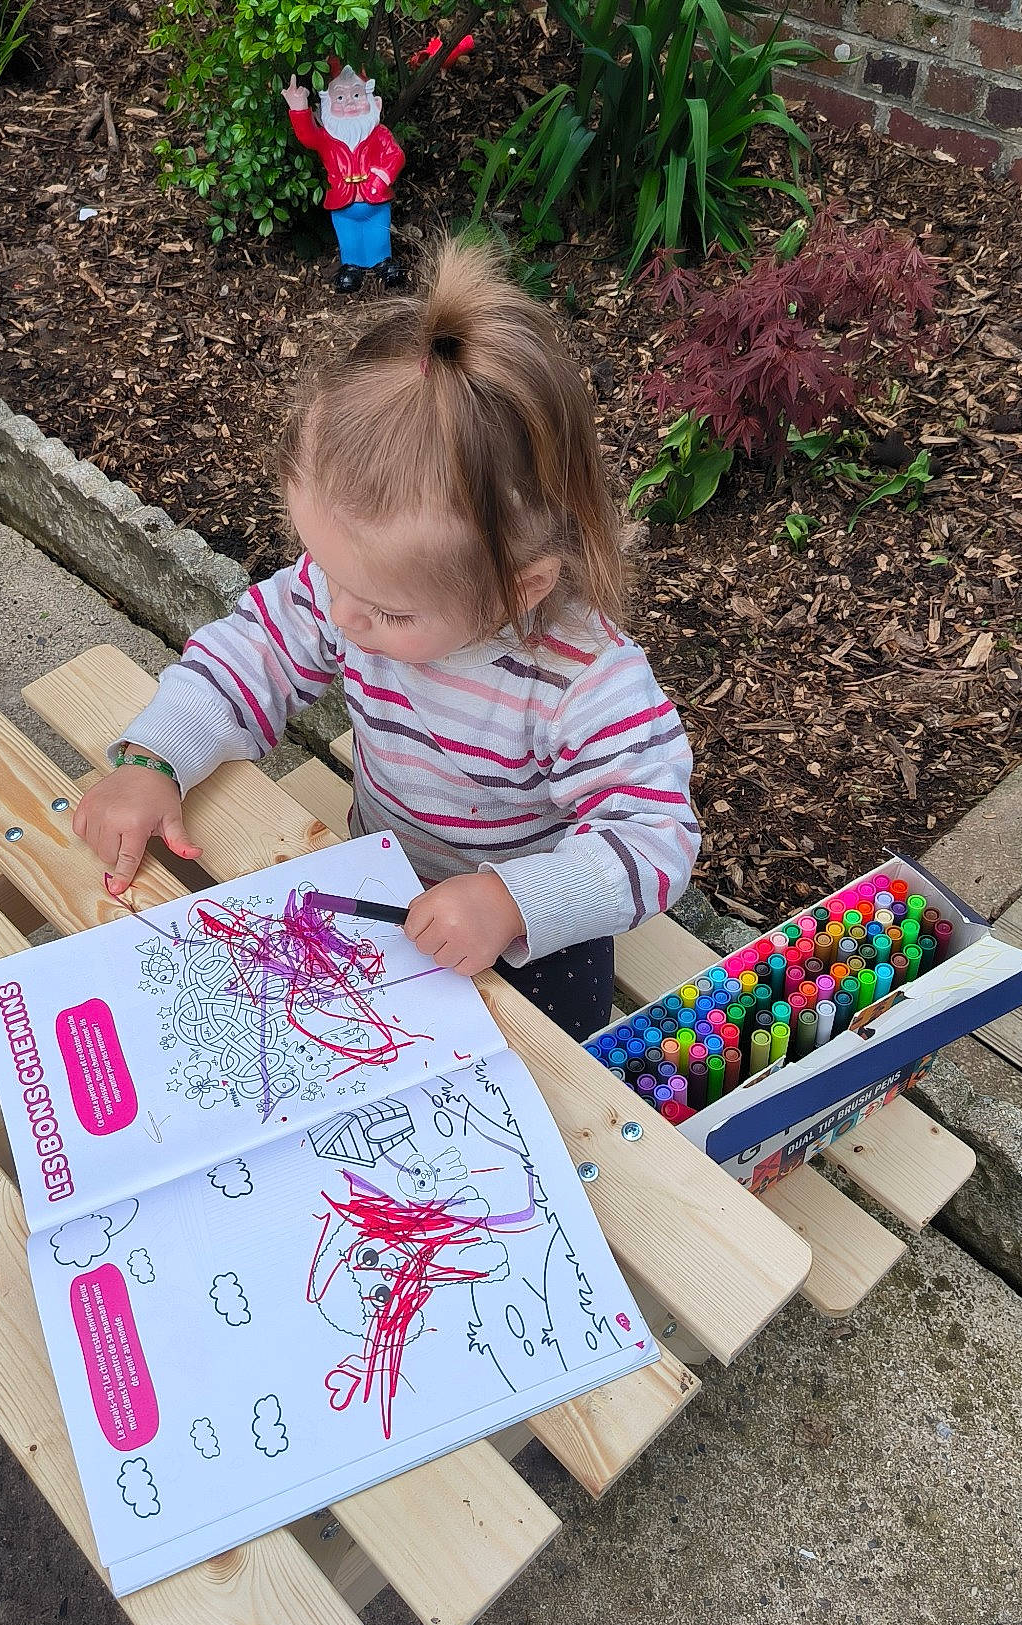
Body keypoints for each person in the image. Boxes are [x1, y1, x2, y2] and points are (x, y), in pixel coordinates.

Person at [73, 238, 700, 1043]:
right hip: (378, 878)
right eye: (327, 574)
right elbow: (250, 656)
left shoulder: (582, 684)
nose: (340, 617)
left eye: (388, 613)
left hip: (526, 946)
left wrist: (515, 901)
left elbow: (652, 836)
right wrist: (156, 757)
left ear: (522, 587)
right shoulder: (364, 590)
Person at [284, 65, 406, 294]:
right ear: (327, 107)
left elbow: (395, 156)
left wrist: (380, 178)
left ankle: (383, 262)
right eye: (340, 97)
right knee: (348, 238)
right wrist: (299, 108)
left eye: (357, 95)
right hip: (342, 200)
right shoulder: (327, 138)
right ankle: (352, 267)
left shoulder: (379, 134)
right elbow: (308, 136)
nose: (349, 102)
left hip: (375, 199)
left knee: (378, 234)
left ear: (375, 103)